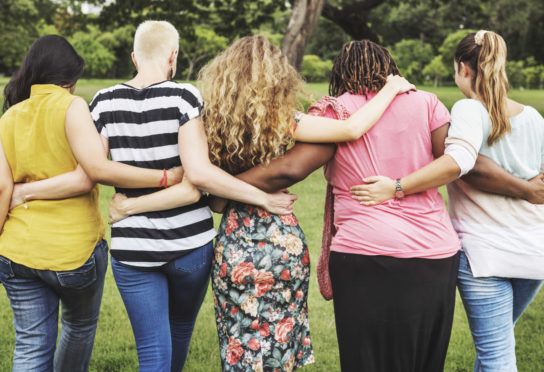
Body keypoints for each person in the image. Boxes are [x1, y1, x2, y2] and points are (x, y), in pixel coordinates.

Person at [108, 35, 415, 371]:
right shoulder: (282, 121)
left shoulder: (210, 124)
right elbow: (352, 128)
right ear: (277, 77)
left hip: (235, 246)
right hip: (281, 242)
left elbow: (215, 203)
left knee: (241, 347)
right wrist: (390, 88)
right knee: (281, 350)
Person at [7, 23, 297, 372]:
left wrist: (129, 204)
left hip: (133, 249)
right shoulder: (185, 97)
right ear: (172, 56)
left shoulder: (102, 101)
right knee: (179, 329)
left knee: (151, 350)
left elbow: (96, 169)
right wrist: (262, 198)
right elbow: (198, 175)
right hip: (190, 244)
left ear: (133, 56)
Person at [354, 31, 544, 371]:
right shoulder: (533, 118)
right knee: (496, 349)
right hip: (533, 254)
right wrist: (526, 189)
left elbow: (459, 163)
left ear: (463, 68)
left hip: (485, 256)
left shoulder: (469, 108)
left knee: (496, 357)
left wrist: (397, 186)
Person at [0, 34, 191, 372]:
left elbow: (3, 187)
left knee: (30, 344)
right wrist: (164, 177)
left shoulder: (9, 117)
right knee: (79, 325)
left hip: (16, 250)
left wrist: (21, 199)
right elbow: (91, 173)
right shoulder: (72, 107)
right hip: (72, 251)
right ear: (70, 78)